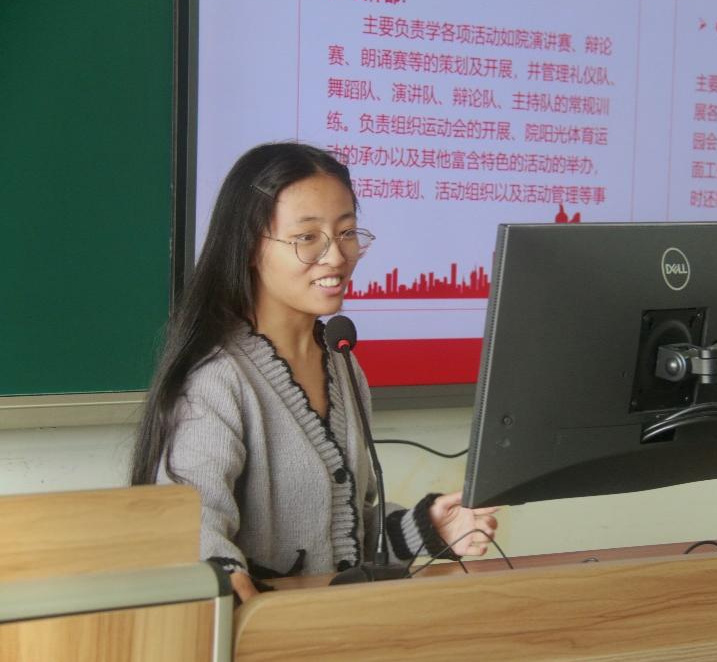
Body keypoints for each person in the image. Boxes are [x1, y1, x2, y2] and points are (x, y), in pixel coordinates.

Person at [131, 142, 498, 602]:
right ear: (249, 246)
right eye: (307, 237)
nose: (337, 256)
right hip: (261, 631)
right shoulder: (217, 379)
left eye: (346, 232)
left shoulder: (341, 361)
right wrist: (220, 573)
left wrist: (428, 527)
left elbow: (341, 531)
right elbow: (191, 527)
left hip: (337, 623)